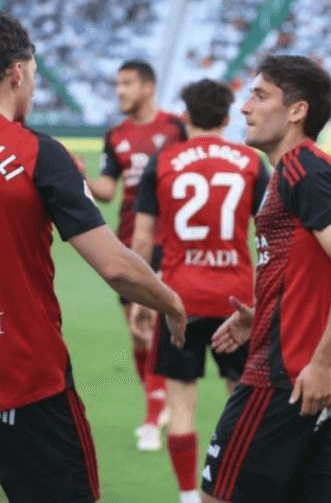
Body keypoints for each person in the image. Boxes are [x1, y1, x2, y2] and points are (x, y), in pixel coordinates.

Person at [0, 13, 186, 503]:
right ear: (18, 73)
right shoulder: (36, 153)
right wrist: (171, 301)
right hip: (25, 380)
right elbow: (116, 267)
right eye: (36, 75)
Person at [199, 55, 331, 503]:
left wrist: (319, 362)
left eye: (260, 95)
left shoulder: (303, 168)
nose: (245, 107)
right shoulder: (310, 169)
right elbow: (318, 272)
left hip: (285, 377)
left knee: (215, 497)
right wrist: (264, 315)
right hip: (311, 379)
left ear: (297, 111)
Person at [130, 78, 270, 503]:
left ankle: (190, 495)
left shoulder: (165, 160)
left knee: (183, 406)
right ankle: (237, 489)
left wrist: (142, 299)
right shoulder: (250, 161)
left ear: (185, 116)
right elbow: (270, 236)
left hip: (178, 301)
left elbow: (140, 241)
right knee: (242, 403)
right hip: (237, 303)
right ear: (228, 118)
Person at [84, 59, 187, 450]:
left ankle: (153, 414)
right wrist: (79, 175)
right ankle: (156, 403)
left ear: (148, 87)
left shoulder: (174, 128)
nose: (119, 91)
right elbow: (107, 191)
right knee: (137, 331)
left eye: (126, 83)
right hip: (128, 243)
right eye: (117, 84)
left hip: (169, 243)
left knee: (157, 326)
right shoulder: (116, 135)